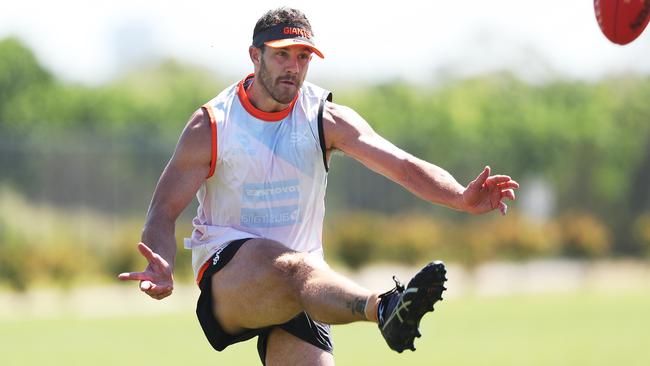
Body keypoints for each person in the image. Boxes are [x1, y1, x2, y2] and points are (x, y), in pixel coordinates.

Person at [118, 6, 519, 366]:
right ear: (254, 56)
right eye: (282, 54)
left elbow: (403, 166)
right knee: (294, 267)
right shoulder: (212, 124)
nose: (293, 66)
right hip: (231, 274)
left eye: (303, 56)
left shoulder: (323, 117)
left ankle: (375, 308)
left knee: (302, 284)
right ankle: (383, 308)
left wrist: (460, 198)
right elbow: (163, 211)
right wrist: (162, 263)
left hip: (308, 286)